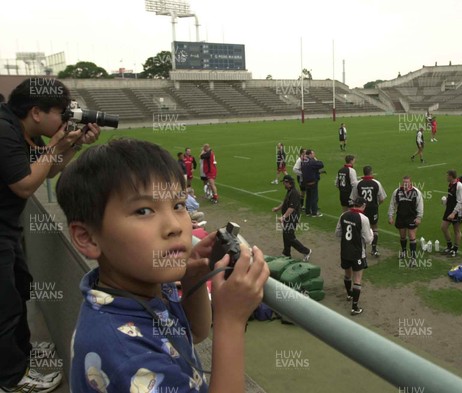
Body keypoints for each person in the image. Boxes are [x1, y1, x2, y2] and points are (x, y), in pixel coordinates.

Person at [56, 138, 270, 392]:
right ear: (88, 238)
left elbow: (195, 332)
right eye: (144, 211)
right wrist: (232, 322)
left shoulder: (142, 286)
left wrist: (194, 278)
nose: (175, 226)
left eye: (178, 205)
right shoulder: (127, 358)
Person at [0, 78, 100, 391]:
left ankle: (19, 361)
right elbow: (26, 184)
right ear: (37, 112)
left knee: (19, 290)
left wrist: (73, 144)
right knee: (5, 307)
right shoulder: (4, 130)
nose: (66, 119)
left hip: (7, 228)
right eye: (61, 113)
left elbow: (49, 170)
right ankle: (11, 379)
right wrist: (58, 144)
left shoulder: (23, 130)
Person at [335, 197, 373, 315]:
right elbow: (367, 240)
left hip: (345, 251)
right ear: (362, 206)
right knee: (357, 279)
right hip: (357, 253)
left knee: (347, 275)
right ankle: (354, 307)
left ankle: (349, 294)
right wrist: (371, 233)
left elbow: (337, 233)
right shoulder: (364, 219)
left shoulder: (344, 215)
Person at [272, 175, 311, 261]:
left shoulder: (294, 193)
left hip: (292, 218)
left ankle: (306, 251)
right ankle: (286, 253)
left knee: (289, 237)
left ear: (289, 183)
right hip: (288, 218)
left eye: (285, 183)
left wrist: (283, 217)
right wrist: (278, 208)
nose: (284, 185)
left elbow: (291, 208)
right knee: (286, 235)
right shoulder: (290, 191)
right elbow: (285, 202)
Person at [351, 166, 387, 256]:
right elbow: (382, 198)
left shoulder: (358, 184)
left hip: (361, 210)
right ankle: (374, 249)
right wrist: (376, 204)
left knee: (360, 227)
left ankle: (361, 249)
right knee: (374, 227)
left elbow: (353, 199)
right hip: (373, 209)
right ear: (371, 172)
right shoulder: (376, 183)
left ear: (363, 173)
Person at [388, 176, 424, 265]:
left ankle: (413, 258)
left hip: (412, 217)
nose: (405, 184)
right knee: (403, 236)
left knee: (412, 236)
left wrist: (419, 217)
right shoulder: (397, 192)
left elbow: (420, 205)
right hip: (401, 217)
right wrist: (390, 216)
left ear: (411, 182)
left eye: (407, 182)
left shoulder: (416, 192)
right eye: (404, 182)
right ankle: (404, 251)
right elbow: (392, 204)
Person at [441, 169, 462, 257]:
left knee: (457, 230)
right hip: (449, 209)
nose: (446, 177)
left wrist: (454, 213)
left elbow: (461, 202)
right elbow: (452, 196)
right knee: (443, 227)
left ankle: (455, 249)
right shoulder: (451, 184)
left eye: (447, 175)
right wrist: (446, 200)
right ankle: (449, 246)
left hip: (457, 211)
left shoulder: (459, 186)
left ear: (451, 176)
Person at [301, 149, 325, 217]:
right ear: (310, 154)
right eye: (313, 153)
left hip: (306, 182)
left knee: (308, 197)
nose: (314, 155)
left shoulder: (304, 161)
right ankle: (314, 212)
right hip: (313, 181)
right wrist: (315, 159)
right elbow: (321, 164)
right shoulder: (312, 161)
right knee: (314, 197)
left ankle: (307, 211)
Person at [292, 148, 307, 212]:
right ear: (301, 153)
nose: (306, 153)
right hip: (301, 178)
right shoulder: (299, 160)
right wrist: (302, 174)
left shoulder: (305, 159)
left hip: (304, 178)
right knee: (303, 192)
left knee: (304, 192)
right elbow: (294, 169)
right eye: (305, 152)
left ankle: (302, 205)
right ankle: (301, 205)